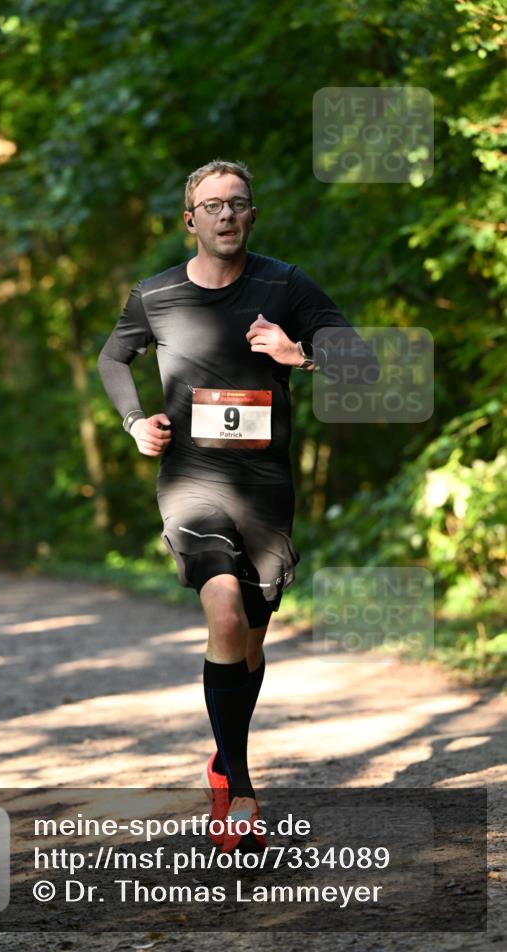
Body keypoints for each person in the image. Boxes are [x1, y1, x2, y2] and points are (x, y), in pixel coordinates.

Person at [97, 159, 377, 852]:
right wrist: (136, 422)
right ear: (189, 219)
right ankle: (239, 792)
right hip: (191, 481)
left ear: (252, 216)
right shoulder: (155, 295)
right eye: (212, 205)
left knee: (247, 635)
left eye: (238, 204)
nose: (226, 215)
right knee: (221, 610)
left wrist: (298, 355)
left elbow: (362, 364)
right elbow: (112, 359)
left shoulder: (283, 285)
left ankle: (225, 753)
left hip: (265, 490)